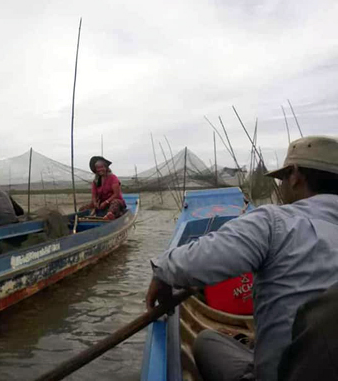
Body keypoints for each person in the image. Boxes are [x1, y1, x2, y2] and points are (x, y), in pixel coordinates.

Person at [145, 136, 338, 381]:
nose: (281, 186)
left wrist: (162, 270)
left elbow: (197, 261)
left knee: (206, 341)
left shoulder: (274, 222)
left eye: (282, 179)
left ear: (296, 175)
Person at [80, 156, 126, 220]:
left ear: (106, 168)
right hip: (101, 203)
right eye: (97, 168)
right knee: (82, 209)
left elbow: (116, 194)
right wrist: (95, 203)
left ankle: (109, 215)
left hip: (114, 202)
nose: (100, 169)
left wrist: (106, 202)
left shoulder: (113, 178)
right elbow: (94, 196)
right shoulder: (95, 181)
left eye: (102, 167)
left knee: (115, 203)